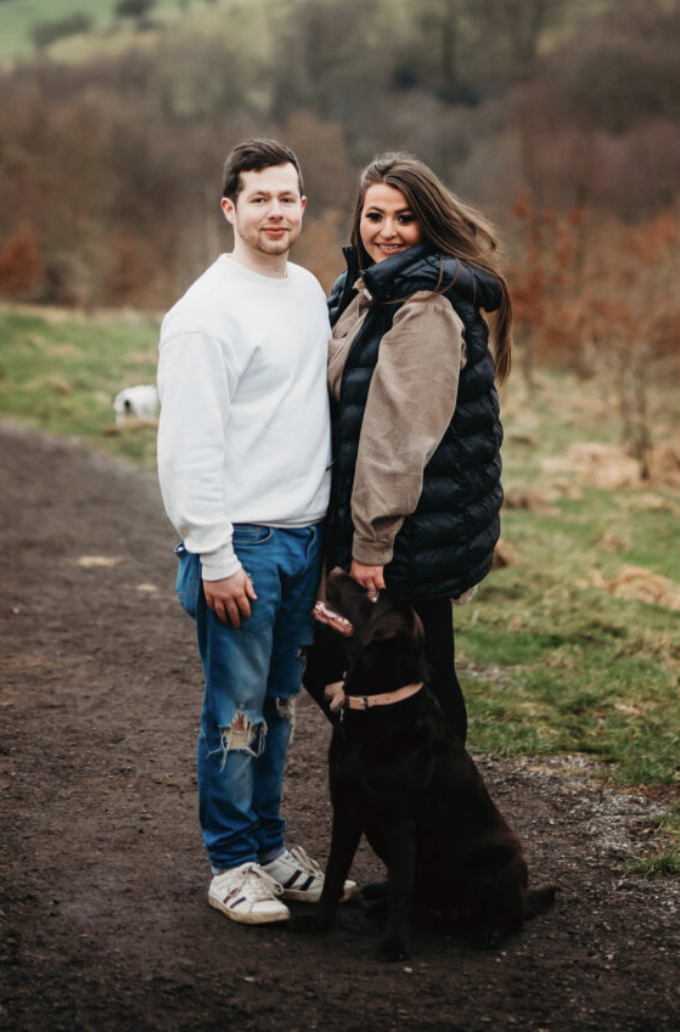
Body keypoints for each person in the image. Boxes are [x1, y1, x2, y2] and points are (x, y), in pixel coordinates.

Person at [157, 138, 355, 925]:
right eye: (260, 199)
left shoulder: (307, 289)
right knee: (233, 713)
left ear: (304, 206)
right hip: (243, 545)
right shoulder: (206, 314)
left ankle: (273, 848)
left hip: (304, 539)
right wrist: (213, 552)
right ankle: (232, 863)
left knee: (279, 707)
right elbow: (188, 447)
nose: (277, 212)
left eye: (289, 197)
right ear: (230, 209)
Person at [305, 152, 513, 745]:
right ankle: (413, 791)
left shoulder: (422, 305)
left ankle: (441, 806)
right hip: (400, 524)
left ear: (430, 223)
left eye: (405, 218)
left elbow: (397, 439)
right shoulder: (365, 288)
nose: (387, 231)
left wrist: (371, 544)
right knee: (402, 667)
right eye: (375, 215)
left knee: (419, 672)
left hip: (407, 532)